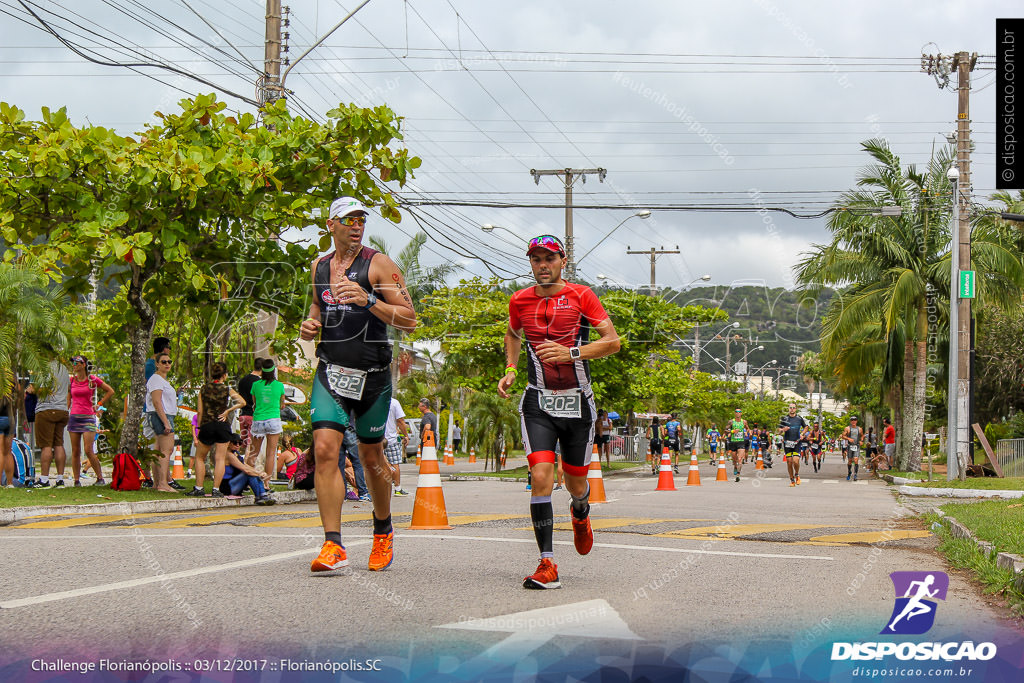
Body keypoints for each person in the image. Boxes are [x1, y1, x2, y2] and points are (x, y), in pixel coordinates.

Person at [299, 197, 416, 573]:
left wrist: (369, 301)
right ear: (330, 225)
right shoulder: (318, 266)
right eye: (348, 219)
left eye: (361, 220)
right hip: (331, 370)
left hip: (373, 377)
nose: (356, 226)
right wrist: (310, 324)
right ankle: (333, 544)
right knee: (325, 449)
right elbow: (317, 307)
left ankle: (383, 530)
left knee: (370, 458)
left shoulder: (378, 264)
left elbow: (409, 319)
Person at [498, 234, 621, 590]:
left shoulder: (582, 296)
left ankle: (580, 512)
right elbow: (512, 334)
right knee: (540, 475)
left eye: (549, 259)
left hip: (577, 400)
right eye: (536, 259)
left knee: (576, 482)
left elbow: (612, 342)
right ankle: (547, 563)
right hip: (538, 400)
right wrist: (509, 368)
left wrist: (572, 355)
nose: (542, 265)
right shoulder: (519, 300)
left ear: (562, 261)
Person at [185, 362, 245, 497]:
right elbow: (242, 402)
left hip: (207, 424)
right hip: (222, 425)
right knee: (220, 459)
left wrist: (199, 428)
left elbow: (200, 411)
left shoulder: (204, 389)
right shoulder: (227, 389)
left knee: (200, 457)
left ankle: (199, 488)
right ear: (225, 375)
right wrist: (227, 411)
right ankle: (216, 490)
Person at [67, 355, 114, 487]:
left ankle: (100, 478)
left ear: (84, 365)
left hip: (88, 417)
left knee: (88, 449)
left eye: (77, 362)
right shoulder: (71, 381)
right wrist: (67, 412)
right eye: (74, 362)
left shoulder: (92, 379)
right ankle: (76, 480)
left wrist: (99, 404)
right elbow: (68, 398)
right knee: (75, 451)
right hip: (74, 417)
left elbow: (110, 391)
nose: (75, 364)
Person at [31, 359, 70, 487]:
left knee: (46, 445)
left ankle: (44, 479)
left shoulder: (45, 368)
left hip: (46, 409)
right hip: (62, 410)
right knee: (59, 444)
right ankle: (60, 479)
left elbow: (43, 389)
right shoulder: (64, 368)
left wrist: (33, 389)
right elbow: (68, 391)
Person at [144, 352, 178, 493]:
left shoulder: (161, 380)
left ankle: (157, 482)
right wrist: (166, 423)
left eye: (169, 361)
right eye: (163, 362)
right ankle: (163, 483)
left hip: (163, 415)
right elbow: (157, 402)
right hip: (162, 416)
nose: (167, 364)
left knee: (158, 451)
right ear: (157, 364)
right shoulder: (156, 379)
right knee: (166, 450)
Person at [219, 434, 275, 504]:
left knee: (253, 474)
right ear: (228, 443)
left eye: (240, 443)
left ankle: (263, 495)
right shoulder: (229, 455)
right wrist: (258, 473)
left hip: (234, 484)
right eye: (235, 443)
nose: (237, 445)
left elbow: (246, 466)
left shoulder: (235, 454)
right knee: (249, 474)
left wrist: (258, 473)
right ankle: (259, 496)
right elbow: (245, 470)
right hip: (227, 486)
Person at [236, 358, 263, 460]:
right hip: (253, 415)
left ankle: (239, 463)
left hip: (242, 414)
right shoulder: (259, 383)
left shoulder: (242, 380)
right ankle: (247, 468)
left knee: (242, 444)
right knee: (251, 446)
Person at [383, 397, 410, 497]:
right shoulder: (394, 403)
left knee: (377, 464)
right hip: (391, 439)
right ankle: (397, 488)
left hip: (376, 439)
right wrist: (406, 435)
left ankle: (379, 487)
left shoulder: (373, 399)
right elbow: (400, 421)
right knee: (394, 464)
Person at [778, 403, 807, 487]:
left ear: (796, 409)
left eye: (793, 408)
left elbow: (806, 427)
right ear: (788, 409)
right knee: (789, 462)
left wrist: (802, 434)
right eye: (790, 408)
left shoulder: (799, 418)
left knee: (795, 461)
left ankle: (797, 474)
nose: (792, 409)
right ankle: (792, 480)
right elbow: (779, 430)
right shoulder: (785, 419)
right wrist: (783, 429)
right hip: (787, 443)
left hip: (797, 442)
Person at [726, 409, 747, 482]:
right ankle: (735, 466)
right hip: (733, 442)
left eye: (739, 412)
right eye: (736, 412)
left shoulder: (744, 422)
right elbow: (725, 430)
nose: (738, 413)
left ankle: (738, 475)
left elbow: (747, 428)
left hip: (741, 442)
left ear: (741, 413)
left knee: (740, 459)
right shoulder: (731, 421)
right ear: (735, 413)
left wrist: (748, 432)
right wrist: (733, 431)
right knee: (734, 460)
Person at [842, 416, 865, 481]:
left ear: (856, 421)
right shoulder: (847, 428)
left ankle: (855, 474)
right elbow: (843, 436)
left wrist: (861, 441)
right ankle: (849, 472)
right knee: (849, 461)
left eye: (855, 420)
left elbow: (862, 436)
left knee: (855, 460)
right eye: (852, 420)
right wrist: (848, 438)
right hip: (850, 446)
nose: (853, 421)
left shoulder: (859, 429)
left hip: (856, 446)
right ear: (850, 421)